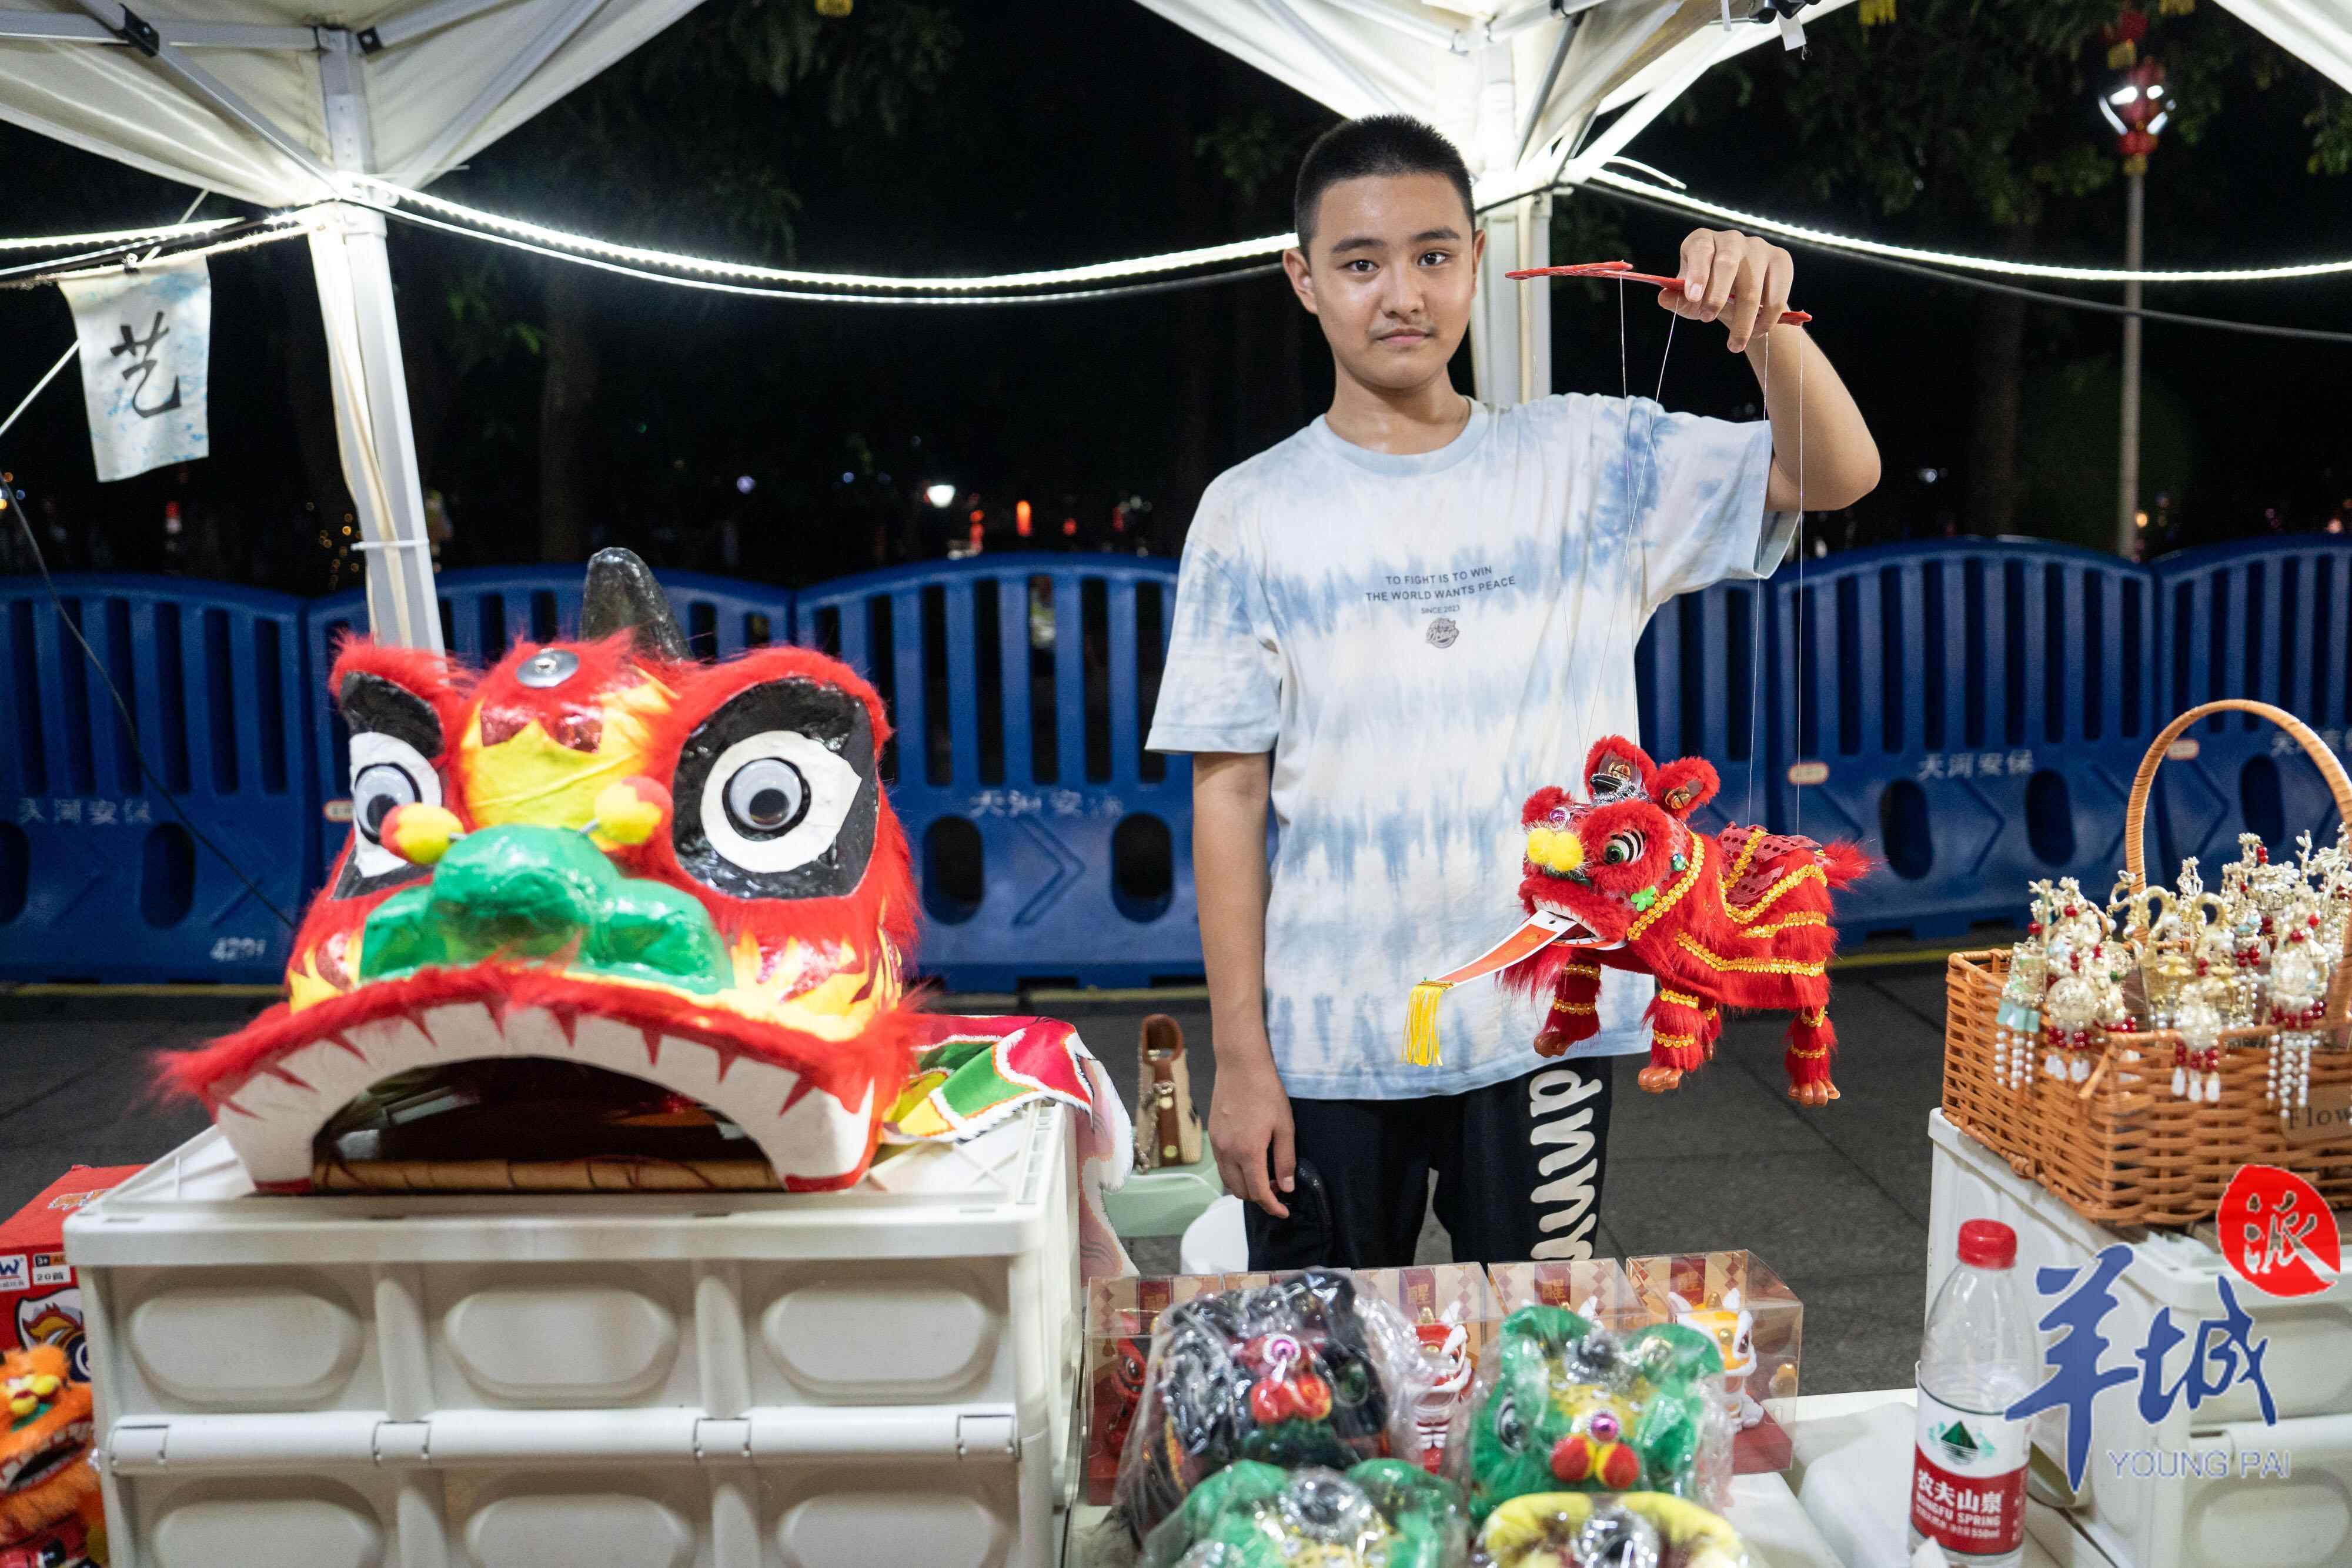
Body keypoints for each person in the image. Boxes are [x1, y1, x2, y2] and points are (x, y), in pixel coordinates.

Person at [1144, 116, 1878, 1270]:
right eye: (1360, 262)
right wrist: (1240, 1060)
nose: (1402, 294)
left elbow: (1833, 471)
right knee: (1326, 1356)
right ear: (1303, 278)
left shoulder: (1589, 462)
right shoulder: (1250, 510)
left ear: (1478, 262)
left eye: (1433, 256)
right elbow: (1227, 794)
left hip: (1547, 1023)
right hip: (1330, 1036)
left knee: (1535, 1347)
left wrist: (1763, 325)